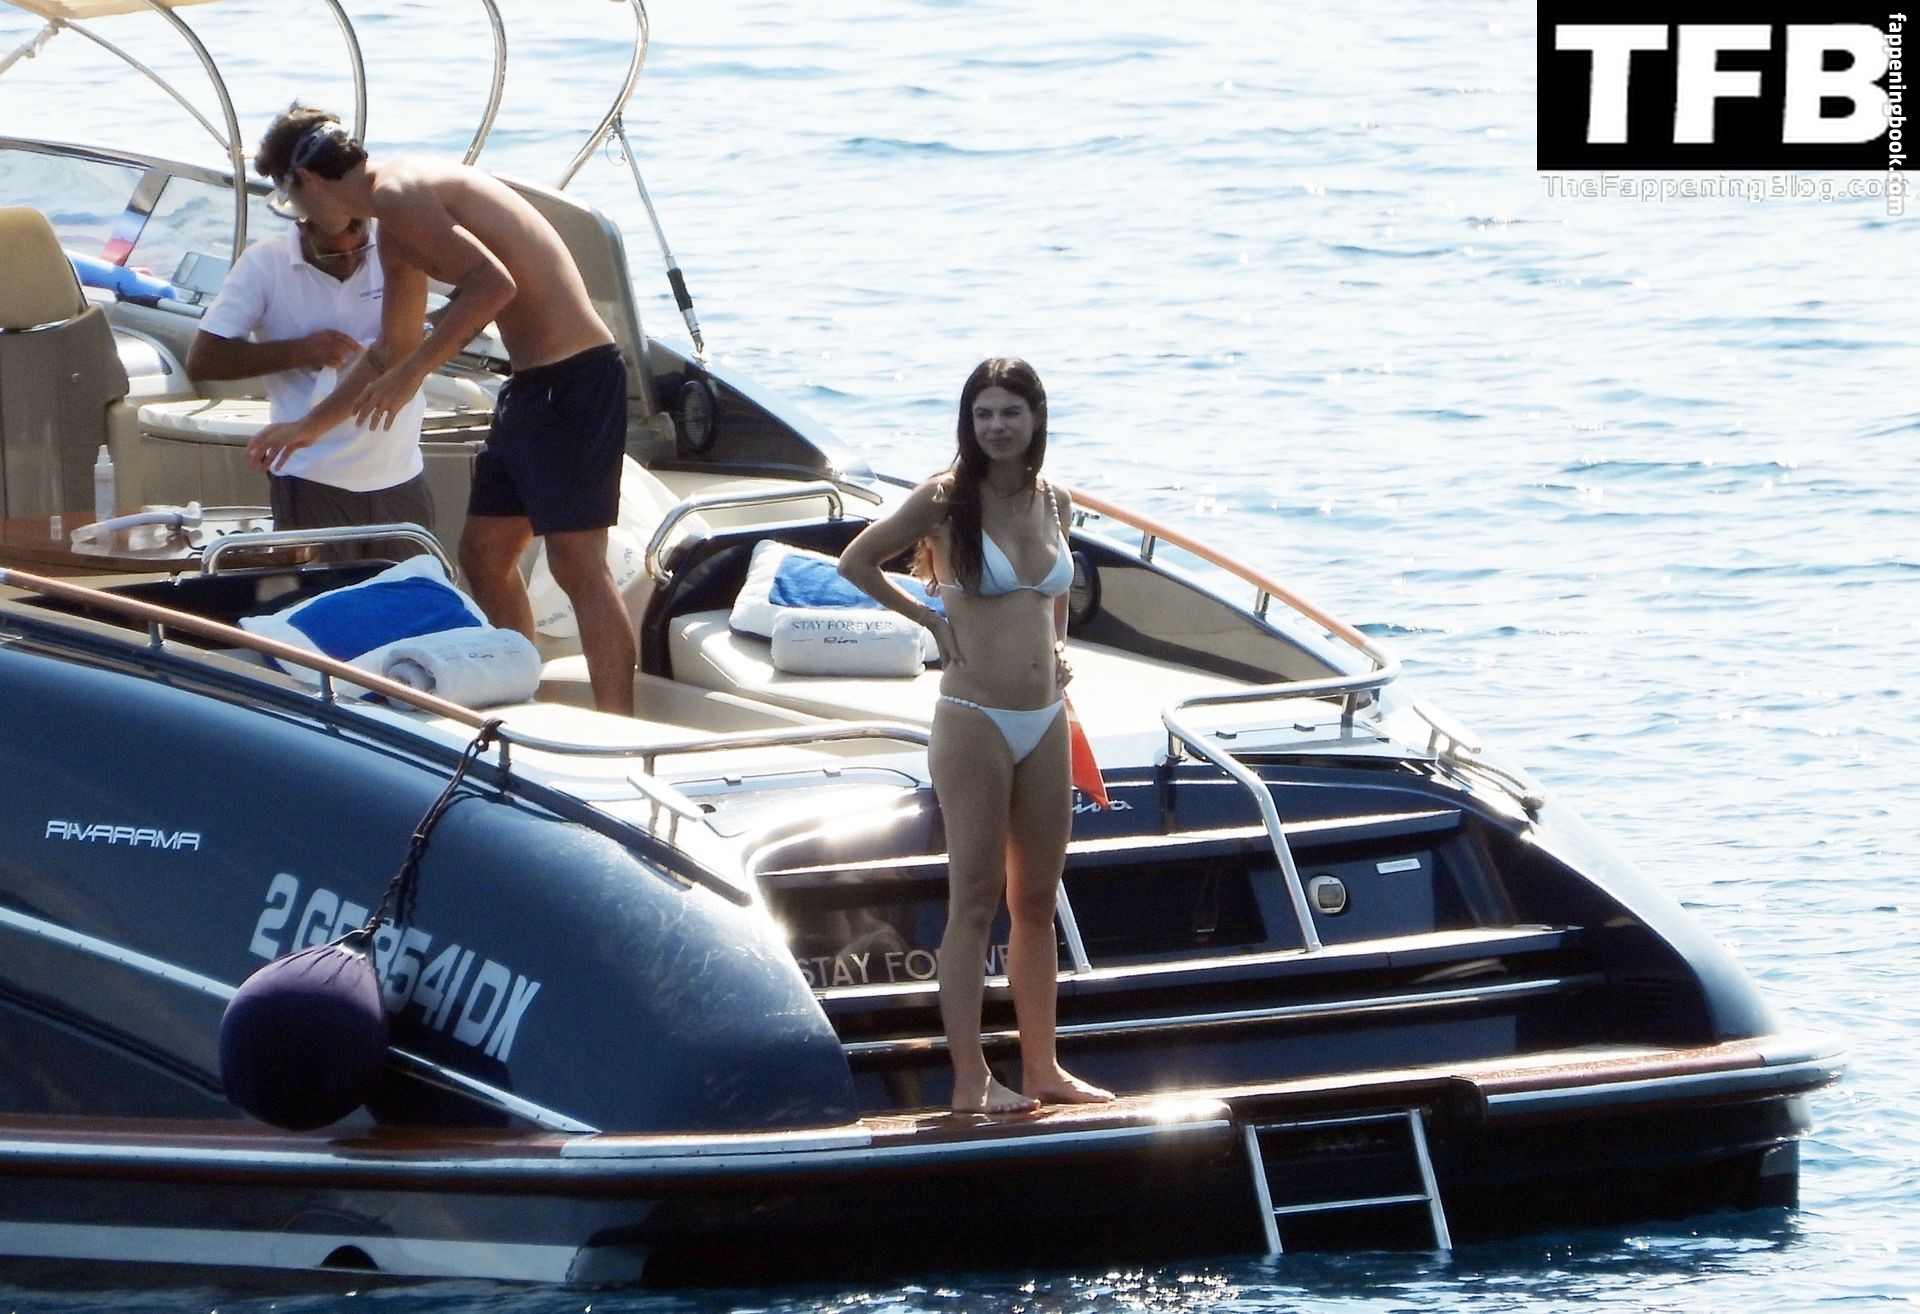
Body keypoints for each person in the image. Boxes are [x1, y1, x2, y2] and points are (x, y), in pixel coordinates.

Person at [242, 105, 636, 715]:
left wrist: (412, 374)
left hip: (574, 377)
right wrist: (306, 428)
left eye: (292, 201)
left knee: (577, 564)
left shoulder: (400, 193)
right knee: (485, 554)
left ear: (309, 182)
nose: (302, 218)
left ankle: (621, 732)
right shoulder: (393, 222)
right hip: (531, 387)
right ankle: (516, 699)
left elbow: (493, 285)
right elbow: (391, 347)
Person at [838, 356, 1114, 1115]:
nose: (996, 427)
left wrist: (1058, 649)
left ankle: (1043, 1068)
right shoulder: (945, 496)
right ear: (969, 422)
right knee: (974, 901)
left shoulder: (1054, 499)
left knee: (1038, 901)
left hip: (1045, 717)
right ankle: (971, 1079)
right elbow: (857, 561)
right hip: (974, 720)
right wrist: (929, 620)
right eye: (983, 413)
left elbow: (1050, 598)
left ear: (1036, 419)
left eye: (1010, 413)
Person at [187, 212, 433, 560]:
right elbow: (203, 360)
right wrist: (299, 351)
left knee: (411, 593)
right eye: (332, 254)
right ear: (302, 227)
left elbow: (477, 287)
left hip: (401, 476)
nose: (348, 261)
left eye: (359, 249)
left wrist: (425, 336)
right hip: (311, 480)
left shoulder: (398, 245)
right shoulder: (264, 263)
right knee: (315, 594)